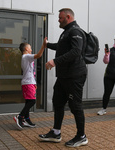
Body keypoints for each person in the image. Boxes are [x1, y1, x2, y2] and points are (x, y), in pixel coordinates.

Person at [38, 8, 88, 147]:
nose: (59, 20)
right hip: (64, 76)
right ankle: (56, 132)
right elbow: (61, 47)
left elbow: (76, 52)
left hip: (75, 76)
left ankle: (81, 136)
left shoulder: (75, 31)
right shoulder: (66, 32)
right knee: (58, 102)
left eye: (60, 18)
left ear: (68, 17)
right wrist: (47, 45)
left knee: (75, 106)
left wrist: (55, 61)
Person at [13, 38, 47, 129]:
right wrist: (44, 45)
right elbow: (39, 55)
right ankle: (19, 117)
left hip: (30, 82)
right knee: (32, 101)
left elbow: (32, 71)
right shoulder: (26, 57)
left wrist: (34, 82)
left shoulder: (26, 58)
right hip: (27, 82)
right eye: (30, 48)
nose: (31, 49)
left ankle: (27, 119)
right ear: (26, 49)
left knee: (28, 101)